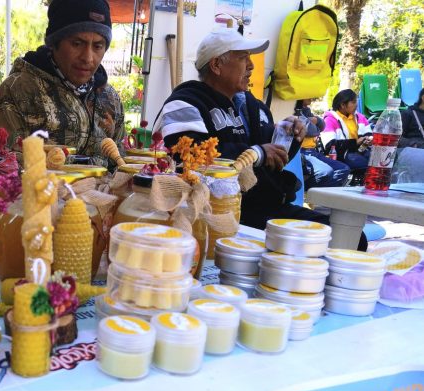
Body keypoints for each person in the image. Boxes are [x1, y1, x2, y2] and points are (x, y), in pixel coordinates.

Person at [154, 29, 368, 249]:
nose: (251, 65)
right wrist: (257, 153)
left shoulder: (250, 106)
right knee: (342, 242)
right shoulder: (185, 102)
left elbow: (274, 156)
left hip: (267, 206)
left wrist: (289, 136)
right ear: (216, 65)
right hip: (221, 212)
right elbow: (189, 158)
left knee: (351, 237)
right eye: (243, 57)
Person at [0, 0, 125, 163]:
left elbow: (120, 160)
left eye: (98, 46)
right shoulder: (17, 92)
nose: (88, 57)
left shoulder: (109, 98)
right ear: (54, 43)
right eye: (77, 43)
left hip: (103, 189)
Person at [297, 98, 350, 188]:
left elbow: (322, 126)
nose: (312, 96)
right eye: (353, 102)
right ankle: (302, 190)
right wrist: (317, 122)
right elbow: (311, 131)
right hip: (301, 152)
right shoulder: (293, 110)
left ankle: (321, 195)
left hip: (312, 151)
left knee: (343, 169)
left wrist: (316, 120)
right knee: (325, 172)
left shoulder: (306, 110)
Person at [320, 89, 372, 177]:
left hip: (362, 150)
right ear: (343, 105)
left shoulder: (360, 117)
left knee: (381, 159)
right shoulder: (330, 120)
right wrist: (355, 142)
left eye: (356, 102)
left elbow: (369, 135)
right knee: (367, 164)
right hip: (343, 155)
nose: (356, 105)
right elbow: (329, 145)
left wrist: (369, 140)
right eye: (353, 102)